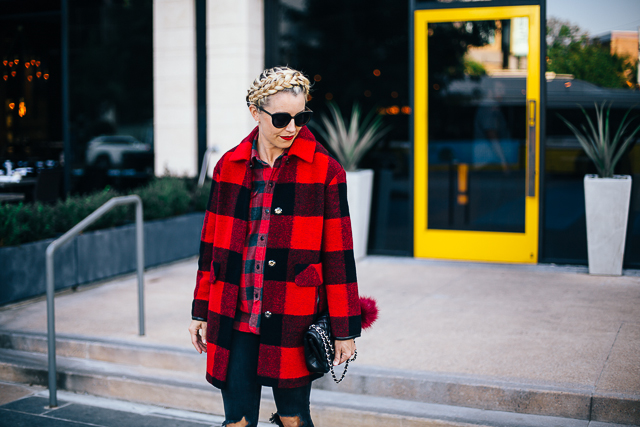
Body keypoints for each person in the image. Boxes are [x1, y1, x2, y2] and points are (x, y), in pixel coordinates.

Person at [188, 66, 362, 427]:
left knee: (293, 419)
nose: (292, 128)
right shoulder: (228, 167)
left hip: (292, 318)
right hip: (234, 316)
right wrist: (200, 310)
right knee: (237, 421)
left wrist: (345, 330)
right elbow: (210, 245)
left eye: (301, 118)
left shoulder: (326, 171)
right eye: (281, 118)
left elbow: (339, 256)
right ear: (255, 112)